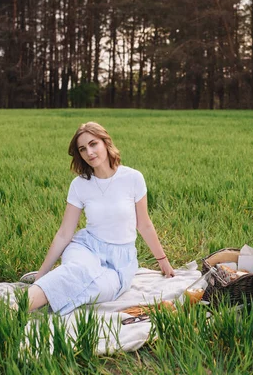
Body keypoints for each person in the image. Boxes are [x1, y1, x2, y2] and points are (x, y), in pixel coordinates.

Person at [27, 122, 175, 314]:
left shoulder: (133, 178)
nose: (89, 152)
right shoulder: (79, 185)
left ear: (106, 143)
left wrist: (163, 260)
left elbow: (144, 224)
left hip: (121, 261)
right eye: (82, 149)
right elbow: (64, 233)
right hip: (87, 247)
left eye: (93, 144)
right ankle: (16, 308)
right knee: (78, 271)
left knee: (97, 289)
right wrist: (41, 274)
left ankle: (46, 289)